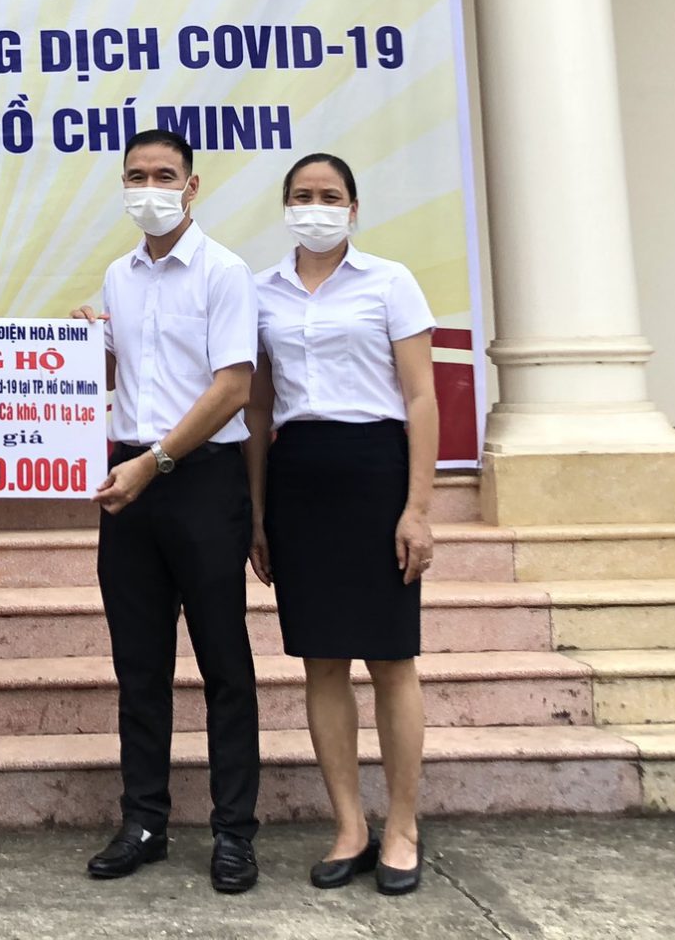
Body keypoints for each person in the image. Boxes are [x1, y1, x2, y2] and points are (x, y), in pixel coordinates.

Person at [245, 152, 438, 897]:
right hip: (299, 476)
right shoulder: (261, 291)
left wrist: (417, 508)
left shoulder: (390, 281)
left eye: (330, 195)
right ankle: (351, 825)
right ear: (285, 206)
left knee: (391, 658)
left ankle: (403, 825)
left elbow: (420, 398)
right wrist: (258, 512)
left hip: (376, 470)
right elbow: (259, 406)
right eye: (302, 194)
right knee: (321, 660)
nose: (315, 206)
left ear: (353, 209)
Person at [77, 128, 261, 894]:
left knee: (225, 665)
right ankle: (144, 822)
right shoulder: (118, 277)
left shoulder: (225, 272)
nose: (148, 188)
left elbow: (232, 388)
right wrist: (77, 350)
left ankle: (234, 832)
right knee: (139, 666)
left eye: (163, 175)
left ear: (191, 186)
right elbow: (121, 370)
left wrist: (155, 463)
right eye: (135, 176)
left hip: (199, 481)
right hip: (131, 484)